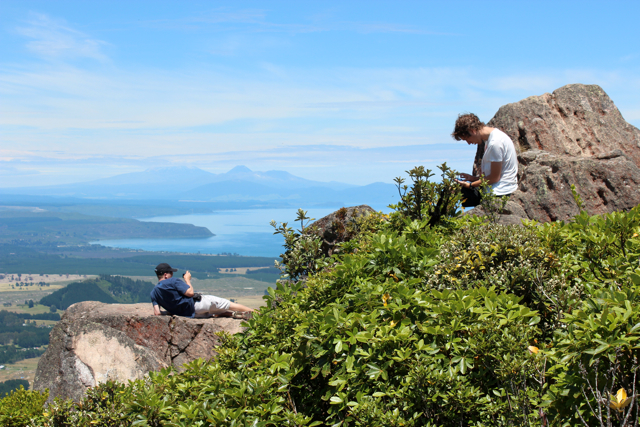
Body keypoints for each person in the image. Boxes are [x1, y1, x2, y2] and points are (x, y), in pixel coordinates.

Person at [451, 113, 518, 207]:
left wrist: (470, 185)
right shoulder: (492, 138)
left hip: (499, 192)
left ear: (472, 130)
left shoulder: (495, 143)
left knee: (457, 191)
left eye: (467, 139)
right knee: (455, 188)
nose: (469, 143)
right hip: (498, 188)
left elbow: (495, 178)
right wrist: (473, 179)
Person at [151, 263, 254, 319]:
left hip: (192, 314)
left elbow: (157, 313)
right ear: (165, 275)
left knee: (213, 314)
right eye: (171, 273)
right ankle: (258, 314)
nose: (172, 275)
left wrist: (171, 311)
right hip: (197, 304)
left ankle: (233, 315)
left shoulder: (154, 293)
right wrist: (187, 280)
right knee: (228, 304)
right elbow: (190, 293)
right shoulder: (172, 281)